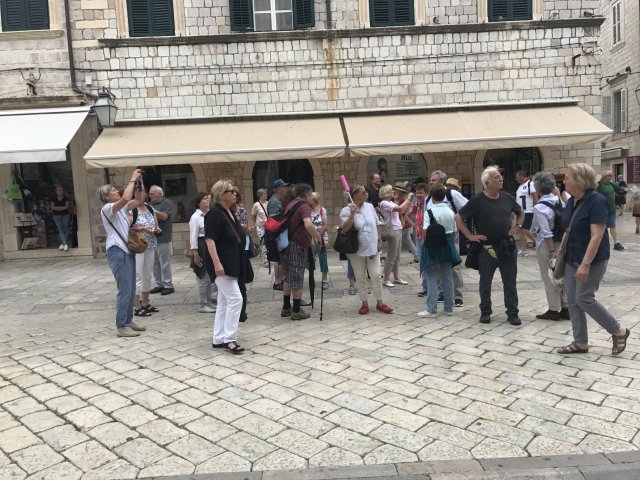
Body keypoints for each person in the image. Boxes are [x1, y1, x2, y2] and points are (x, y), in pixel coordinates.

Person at [556, 163, 630, 356]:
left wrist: (585, 264)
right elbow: (568, 229)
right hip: (572, 256)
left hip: (592, 259)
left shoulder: (597, 201)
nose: (564, 181)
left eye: (567, 178)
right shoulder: (572, 201)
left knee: (583, 298)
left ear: (579, 180)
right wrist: (560, 252)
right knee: (572, 300)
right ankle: (580, 342)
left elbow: (597, 236)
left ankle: (618, 330)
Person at [456, 166, 524, 326]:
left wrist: (519, 226)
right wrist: (470, 236)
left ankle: (513, 313)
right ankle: (485, 311)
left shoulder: (507, 197)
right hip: (487, 247)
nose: (501, 179)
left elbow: (520, 212)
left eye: (500, 176)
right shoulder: (477, 200)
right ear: (486, 183)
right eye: (496, 177)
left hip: (507, 246)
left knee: (510, 281)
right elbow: (458, 217)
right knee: (485, 281)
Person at [98, 170, 147, 337]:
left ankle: (128, 320)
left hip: (126, 250)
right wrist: (132, 178)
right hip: (117, 251)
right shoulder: (107, 208)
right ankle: (121, 326)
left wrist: (140, 183)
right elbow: (126, 198)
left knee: (131, 288)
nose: (115, 191)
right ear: (107, 196)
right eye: (112, 190)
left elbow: (139, 200)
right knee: (124, 289)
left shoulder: (121, 208)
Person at [204, 180, 247, 354]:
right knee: (236, 299)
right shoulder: (214, 214)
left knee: (224, 301)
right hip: (222, 264)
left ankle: (218, 338)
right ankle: (230, 339)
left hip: (231, 263)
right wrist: (217, 263)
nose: (235, 193)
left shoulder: (228, 212)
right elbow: (209, 240)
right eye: (231, 191)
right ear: (222, 195)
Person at [340, 184, 393, 315]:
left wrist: (379, 240)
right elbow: (345, 229)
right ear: (354, 195)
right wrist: (352, 214)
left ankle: (380, 302)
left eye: (365, 192)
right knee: (360, 277)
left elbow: (377, 224)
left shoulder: (369, 207)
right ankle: (364, 302)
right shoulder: (346, 210)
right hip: (356, 250)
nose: (366, 194)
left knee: (376, 275)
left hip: (373, 248)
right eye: (363, 192)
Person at [279, 183, 322, 320]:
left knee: (288, 275)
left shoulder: (290, 204)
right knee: (297, 276)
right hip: (297, 245)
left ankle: (286, 307)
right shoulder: (304, 206)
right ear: (307, 194)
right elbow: (308, 224)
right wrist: (319, 238)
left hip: (286, 244)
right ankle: (296, 311)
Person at [418, 185, 461, 317]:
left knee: (431, 275)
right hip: (447, 244)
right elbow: (455, 231)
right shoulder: (450, 211)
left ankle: (431, 308)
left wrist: (423, 245)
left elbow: (425, 231)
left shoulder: (429, 212)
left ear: (432, 197)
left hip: (432, 246)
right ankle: (448, 307)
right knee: (447, 276)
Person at [531, 171, 569, 321]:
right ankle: (566, 307)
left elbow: (546, 232)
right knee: (561, 275)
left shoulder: (539, 207)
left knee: (549, 277)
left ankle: (553, 309)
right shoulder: (560, 202)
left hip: (548, 246)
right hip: (562, 242)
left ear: (537, 188)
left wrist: (552, 250)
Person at [427, 170, 467, 307]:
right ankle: (444, 292)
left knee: (454, 265)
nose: (430, 182)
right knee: (439, 265)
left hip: (450, 235)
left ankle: (457, 295)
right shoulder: (429, 197)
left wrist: (458, 223)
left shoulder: (451, 194)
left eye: (433, 180)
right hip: (435, 238)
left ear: (442, 181)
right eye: (430, 180)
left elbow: (466, 207)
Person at [131, 189, 161, 318]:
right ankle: (137, 306)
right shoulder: (131, 210)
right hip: (138, 246)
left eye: (143, 193)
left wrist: (156, 229)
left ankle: (145, 302)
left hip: (150, 244)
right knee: (137, 275)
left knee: (148, 274)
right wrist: (143, 229)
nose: (141, 195)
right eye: (138, 193)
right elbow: (127, 226)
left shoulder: (150, 208)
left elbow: (156, 224)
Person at [379, 184, 413, 287]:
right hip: (392, 230)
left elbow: (402, 210)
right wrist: (408, 199)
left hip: (398, 228)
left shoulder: (390, 202)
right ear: (387, 193)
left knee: (397, 255)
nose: (394, 192)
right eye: (391, 191)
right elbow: (399, 208)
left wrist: (408, 202)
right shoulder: (384, 203)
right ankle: (386, 279)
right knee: (392, 255)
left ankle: (396, 277)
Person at [189, 193, 215, 314]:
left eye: (207, 198)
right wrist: (195, 252)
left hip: (209, 244)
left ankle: (209, 301)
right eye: (204, 199)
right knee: (202, 275)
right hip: (201, 246)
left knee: (209, 276)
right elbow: (193, 236)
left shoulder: (210, 214)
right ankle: (203, 303)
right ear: (198, 202)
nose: (207, 200)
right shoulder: (195, 217)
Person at [149, 186, 175, 295]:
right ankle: (159, 284)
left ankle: (168, 285)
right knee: (154, 264)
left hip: (164, 238)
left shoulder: (166, 203)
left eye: (152, 194)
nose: (150, 196)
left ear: (160, 194)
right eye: (150, 194)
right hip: (152, 238)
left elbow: (164, 217)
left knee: (164, 263)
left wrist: (151, 210)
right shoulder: (149, 204)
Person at [267, 178, 290, 290]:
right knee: (279, 258)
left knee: (280, 258)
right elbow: (273, 218)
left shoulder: (277, 200)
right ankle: (278, 281)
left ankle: (279, 280)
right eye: (283, 187)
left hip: (278, 232)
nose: (285, 189)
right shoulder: (274, 201)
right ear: (279, 189)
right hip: (277, 233)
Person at [231, 189, 250, 323]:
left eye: (235, 196)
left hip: (240, 247)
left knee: (241, 282)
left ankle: (241, 312)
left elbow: (245, 226)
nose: (234, 198)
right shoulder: (223, 213)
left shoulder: (241, 210)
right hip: (231, 249)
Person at [596, 170, 625, 251]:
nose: (611, 177)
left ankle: (616, 243)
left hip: (612, 210)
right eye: (610, 175)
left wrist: (624, 189)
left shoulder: (611, 184)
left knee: (612, 226)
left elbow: (618, 189)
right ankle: (599, 244)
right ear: (605, 176)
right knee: (602, 228)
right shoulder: (599, 185)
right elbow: (595, 197)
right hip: (602, 210)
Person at [515, 170, 537, 257]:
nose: (516, 179)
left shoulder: (530, 184)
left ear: (522, 176)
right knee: (521, 231)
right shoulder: (520, 186)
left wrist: (534, 207)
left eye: (517, 177)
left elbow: (535, 196)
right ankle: (523, 250)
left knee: (524, 229)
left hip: (528, 211)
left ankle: (538, 243)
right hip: (520, 212)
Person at [309, 192, 329, 289]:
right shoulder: (307, 210)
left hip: (321, 236)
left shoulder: (322, 210)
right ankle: (311, 278)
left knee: (323, 258)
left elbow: (325, 225)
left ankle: (324, 280)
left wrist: (318, 237)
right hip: (310, 238)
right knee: (310, 259)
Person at [413, 182, 429, 297]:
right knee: (422, 262)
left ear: (426, 193)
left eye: (421, 193)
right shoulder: (417, 204)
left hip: (427, 236)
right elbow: (405, 213)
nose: (418, 195)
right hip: (419, 236)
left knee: (430, 262)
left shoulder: (429, 204)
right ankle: (425, 287)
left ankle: (436, 288)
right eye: (417, 192)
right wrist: (413, 224)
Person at [397, 183, 419, 264]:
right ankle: (416, 256)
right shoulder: (402, 200)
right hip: (405, 224)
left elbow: (404, 213)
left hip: (403, 224)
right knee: (408, 240)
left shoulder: (403, 201)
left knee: (397, 241)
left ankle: (395, 258)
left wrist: (410, 223)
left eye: (396, 191)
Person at [251, 188, 269, 268]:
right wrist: (255, 224)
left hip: (269, 226)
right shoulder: (256, 205)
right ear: (260, 195)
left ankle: (269, 258)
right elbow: (253, 215)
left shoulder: (268, 203)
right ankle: (265, 261)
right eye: (265, 193)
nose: (266, 194)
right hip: (260, 227)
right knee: (263, 242)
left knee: (268, 243)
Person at [51, 185, 72, 251]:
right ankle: (65, 244)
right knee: (60, 229)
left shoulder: (66, 198)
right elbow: (52, 207)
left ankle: (63, 244)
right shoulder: (53, 199)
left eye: (61, 190)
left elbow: (66, 207)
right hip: (56, 216)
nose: (60, 191)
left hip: (65, 215)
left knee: (65, 228)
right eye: (59, 190)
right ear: (56, 191)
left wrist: (57, 208)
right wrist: (61, 208)